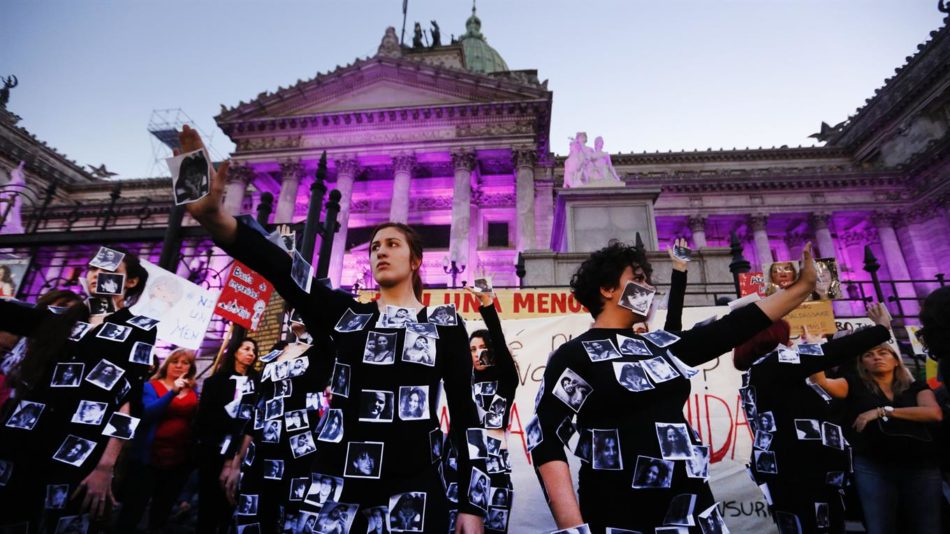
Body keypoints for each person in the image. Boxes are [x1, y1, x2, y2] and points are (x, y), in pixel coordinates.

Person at [180, 122, 485, 533]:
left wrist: (471, 505)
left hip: (414, 491)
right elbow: (282, 268)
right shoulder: (346, 315)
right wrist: (215, 219)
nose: (380, 251)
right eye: (374, 246)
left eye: (392, 244)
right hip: (338, 492)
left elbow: (465, 417)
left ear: (416, 261)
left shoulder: (444, 326)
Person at [533, 239, 820, 532]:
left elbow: (734, 327)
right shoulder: (574, 355)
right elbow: (546, 438)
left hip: (690, 509)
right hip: (618, 511)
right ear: (607, 289)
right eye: (639, 279)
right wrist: (573, 526)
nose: (649, 289)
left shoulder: (662, 346)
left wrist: (802, 287)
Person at [0, 249, 154, 531]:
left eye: (108, 270)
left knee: (59, 521)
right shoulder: (59, 318)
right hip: (25, 437)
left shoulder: (139, 329)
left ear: (131, 282)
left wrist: (106, 465)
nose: (96, 275)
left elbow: (129, 401)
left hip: (79, 447)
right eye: (93, 268)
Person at [809, 333, 943, 534]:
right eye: (869, 355)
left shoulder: (915, 387)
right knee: (880, 525)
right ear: (862, 364)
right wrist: (814, 351)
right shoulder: (853, 384)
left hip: (920, 465)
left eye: (883, 353)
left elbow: (933, 413)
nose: (877, 357)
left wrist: (882, 411)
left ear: (896, 360)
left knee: (927, 525)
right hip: (873, 466)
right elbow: (822, 383)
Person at [116, 348, 199, 532]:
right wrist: (172, 393)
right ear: (166, 365)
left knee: (161, 513)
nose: (179, 366)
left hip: (177, 460)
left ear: (191, 368)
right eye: (175, 361)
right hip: (149, 458)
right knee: (133, 510)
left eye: (185, 363)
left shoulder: (193, 389)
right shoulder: (150, 386)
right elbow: (146, 415)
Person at [465, 284, 519, 530]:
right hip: (464, 469)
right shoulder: (462, 384)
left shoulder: (505, 381)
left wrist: (487, 305)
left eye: (482, 348)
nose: (477, 354)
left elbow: (497, 336)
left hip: (496, 469)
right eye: (472, 349)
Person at [195, 337, 258, 533]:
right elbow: (204, 417)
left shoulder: (257, 383)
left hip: (242, 450)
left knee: (230, 503)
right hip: (214, 448)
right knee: (208, 501)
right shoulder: (215, 382)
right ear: (235, 352)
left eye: (253, 351)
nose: (251, 354)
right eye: (246, 349)